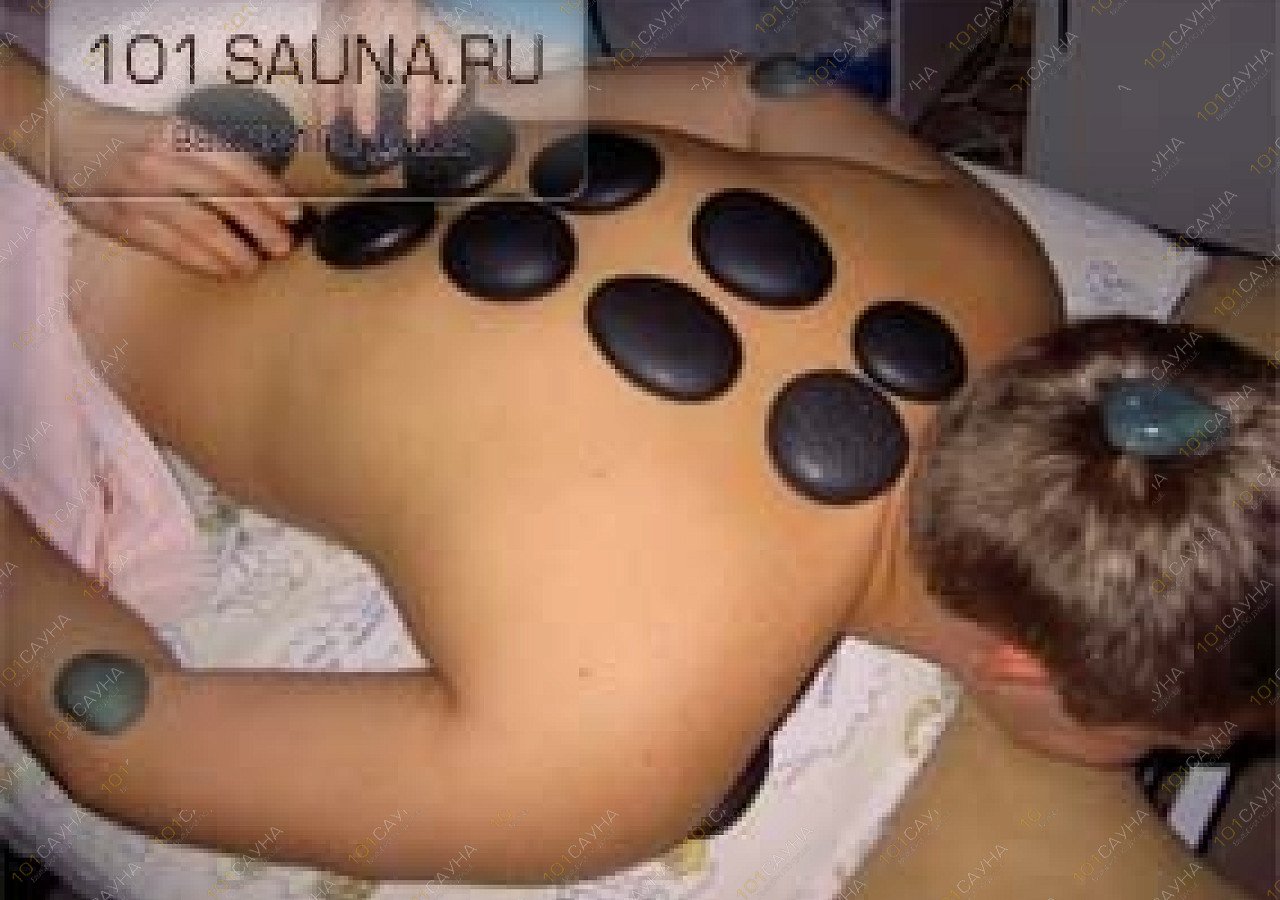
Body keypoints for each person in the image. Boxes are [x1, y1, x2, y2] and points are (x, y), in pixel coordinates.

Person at [0, 50, 1274, 897]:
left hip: (196, 74)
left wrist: (460, 118)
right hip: (46, 275)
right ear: (1020, 665)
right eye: (1173, 742)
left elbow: (763, 91)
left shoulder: (990, 261)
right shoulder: (614, 746)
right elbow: (118, 727)